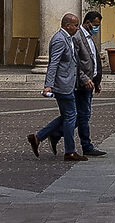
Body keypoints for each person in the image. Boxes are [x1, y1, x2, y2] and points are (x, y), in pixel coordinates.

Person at [25, 11, 87, 161]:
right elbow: (53, 64)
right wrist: (48, 85)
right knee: (71, 116)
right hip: (62, 85)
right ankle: (69, 151)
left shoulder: (69, 38)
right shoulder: (59, 40)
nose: (78, 28)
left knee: (68, 115)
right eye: (76, 25)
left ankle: (38, 136)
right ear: (67, 25)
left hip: (68, 83)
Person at [74, 11, 108, 157]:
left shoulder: (89, 37)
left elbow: (93, 60)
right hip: (82, 84)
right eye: (95, 25)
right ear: (87, 23)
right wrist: (85, 79)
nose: (96, 28)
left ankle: (48, 134)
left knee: (79, 115)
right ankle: (86, 146)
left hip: (90, 83)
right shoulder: (77, 37)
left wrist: (97, 80)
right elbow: (75, 63)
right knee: (83, 115)